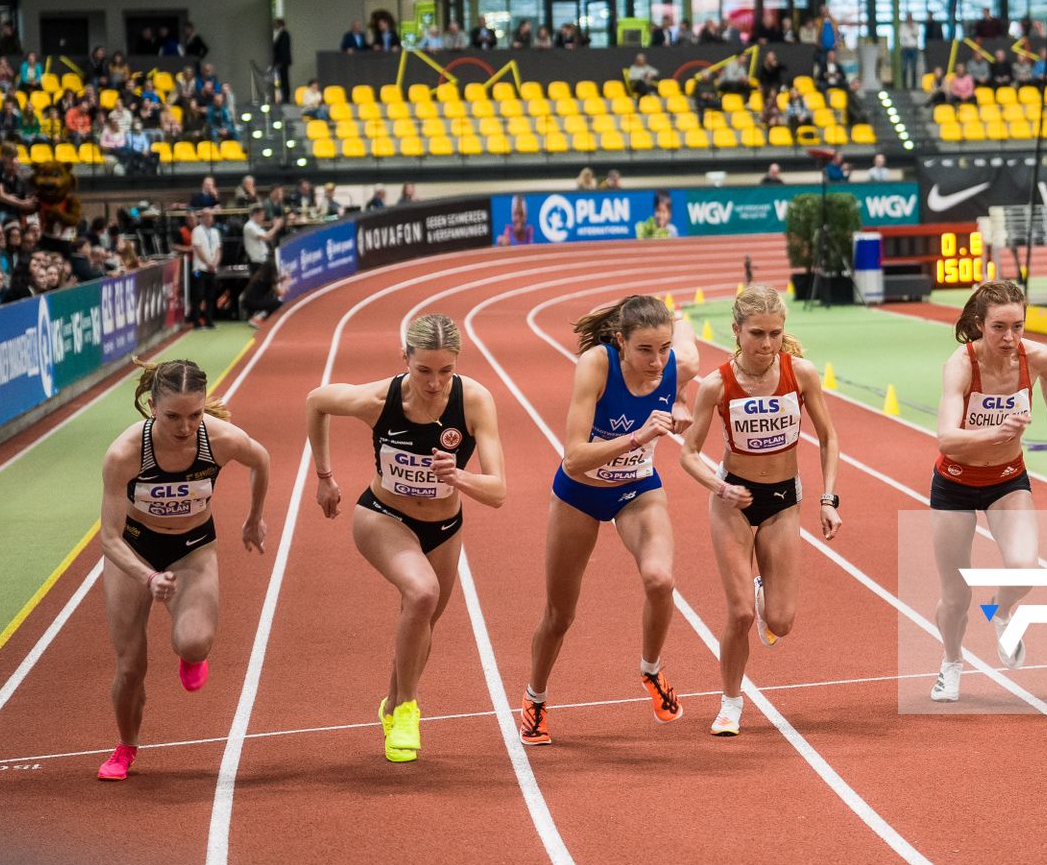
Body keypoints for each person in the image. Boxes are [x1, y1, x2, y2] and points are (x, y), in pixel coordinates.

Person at [306, 315, 508, 762]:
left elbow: (498, 492)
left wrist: (459, 477)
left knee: (422, 624)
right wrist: (324, 476)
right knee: (421, 595)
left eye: (446, 371)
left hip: (444, 528)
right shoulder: (379, 399)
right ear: (406, 360)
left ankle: (391, 703)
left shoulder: (474, 401)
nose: (435, 383)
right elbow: (316, 402)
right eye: (424, 371)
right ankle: (408, 709)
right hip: (383, 516)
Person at [520, 299, 699, 743]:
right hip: (579, 494)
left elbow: (685, 331)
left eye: (663, 348)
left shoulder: (677, 362)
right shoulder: (595, 366)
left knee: (661, 580)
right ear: (620, 342)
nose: (657, 361)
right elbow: (574, 458)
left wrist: (678, 395)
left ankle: (651, 672)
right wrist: (638, 436)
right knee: (560, 615)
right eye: (644, 350)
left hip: (637, 490)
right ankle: (534, 697)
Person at [679, 286, 842, 736]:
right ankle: (731, 702)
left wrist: (829, 499)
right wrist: (719, 485)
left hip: (783, 501)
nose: (766, 344)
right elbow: (688, 453)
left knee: (781, 622)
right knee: (740, 616)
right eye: (756, 334)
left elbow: (829, 439)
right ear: (736, 331)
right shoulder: (716, 385)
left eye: (775, 333)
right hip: (733, 499)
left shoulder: (800, 374)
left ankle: (760, 589)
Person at [95, 360, 270, 779]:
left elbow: (261, 461)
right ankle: (125, 747)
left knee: (193, 643)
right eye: (173, 416)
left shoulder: (221, 439)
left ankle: (191, 656)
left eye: (195, 415)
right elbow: (109, 539)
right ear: (152, 405)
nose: (185, 427)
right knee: (131, 666)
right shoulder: (125, 454)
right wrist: (148, 577)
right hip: (135, 553)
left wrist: (253, 518)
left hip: (193, 550)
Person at [926, 282, 1047, 704]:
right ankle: (951, 663)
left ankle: (1002, 611)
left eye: (1018, 327)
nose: (1009, 338)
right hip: (954, 482)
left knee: (1025, 566)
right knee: (956, 595)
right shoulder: (961, 365)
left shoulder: (1034, 357)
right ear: (978, 324)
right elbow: (947, 439)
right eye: (999, 328)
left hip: (1007, 478)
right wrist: (996, 432)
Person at [189, 208, 222, 329]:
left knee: (210, 296)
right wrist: (208, 263)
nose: (209, 219)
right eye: (206, 216)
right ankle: (196, 321)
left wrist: (215, 263)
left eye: (211, 217)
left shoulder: (215, 232)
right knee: (198, 296)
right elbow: (197, 249)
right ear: (202, 218)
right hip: (200, 268)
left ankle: (209, 320)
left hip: (212, 269)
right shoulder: (197, 231)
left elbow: (218, 249)